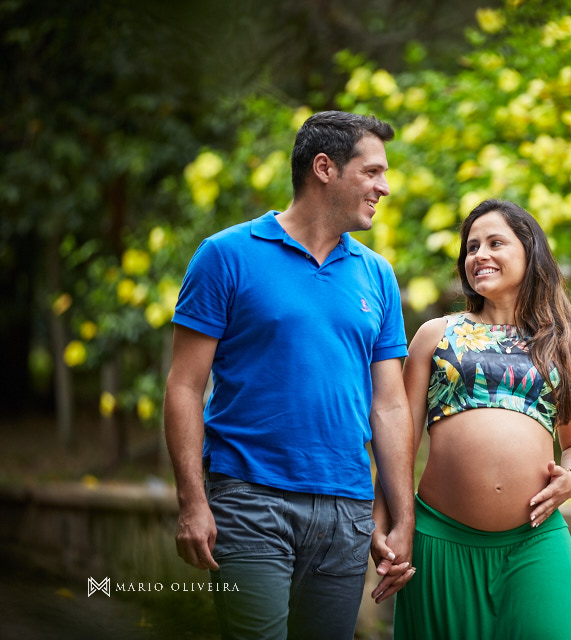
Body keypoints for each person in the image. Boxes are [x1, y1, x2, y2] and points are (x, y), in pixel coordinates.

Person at [163, 110, 416, 640]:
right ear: (324, 168)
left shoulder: (378, 274)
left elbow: (390, 405)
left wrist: (400, 515)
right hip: (251, 499)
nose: (384, 187)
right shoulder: (226, 256)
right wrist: (192, 502)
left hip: (346, 509)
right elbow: (184, 387)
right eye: (371, 172)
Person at [386, 198, 571, 639]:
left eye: (495, 243)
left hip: (535, 543)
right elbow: (397, 441)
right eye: (472, 247)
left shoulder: (561, 344)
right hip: (440, 539)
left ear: (529, 251)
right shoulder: (436, 334)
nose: (479, 255)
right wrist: (391, 523)